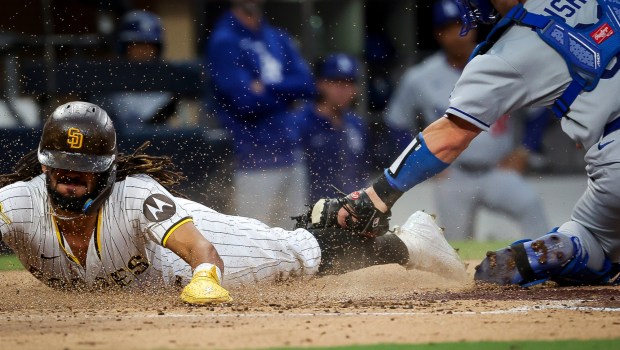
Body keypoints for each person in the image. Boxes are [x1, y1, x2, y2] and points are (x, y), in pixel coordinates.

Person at [0, 101, 467, 305]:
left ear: (104, 169)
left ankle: (410, 244)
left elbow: (202, 251)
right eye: (60, 166)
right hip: (145, 273)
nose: (69, 178)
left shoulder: (133, 194)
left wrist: (205, 277)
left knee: (300, 253)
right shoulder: (19, 206)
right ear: (44, 166)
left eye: (82, 169)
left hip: (178, 257)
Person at [309, 0, 620, 287]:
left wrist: (374, 198)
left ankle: (572, 244)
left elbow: (449, 136)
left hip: (611, 158)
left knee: (596, 238)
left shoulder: (508, 52)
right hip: (465, 175)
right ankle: (575, 240)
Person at [384, 0, 549, 240]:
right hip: (453, 173)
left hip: (497, 170)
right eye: (448, 27)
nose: (458, 34)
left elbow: (540, 111)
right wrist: (423, 166)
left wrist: (526, 150)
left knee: (530, 204)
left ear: (475, 26)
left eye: (463, 24)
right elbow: (396, 122)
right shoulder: (420, 77)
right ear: (438, 34)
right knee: (454, 239)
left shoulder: (500, 63)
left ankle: (550, 261)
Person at [205, 0, 315, 228]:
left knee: (295, 238)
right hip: (251, 157)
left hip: (290, 150)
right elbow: (245, 102)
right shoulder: (224, 39)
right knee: (253, 241)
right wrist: (287, 96)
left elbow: (306, 84)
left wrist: (266, 86)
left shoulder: (276, 36)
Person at [290, 53, 370, 203]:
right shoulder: (300, 122)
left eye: (349, 83)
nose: (343, 90)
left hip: (349, 210)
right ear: (321, 84)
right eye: (336, 82)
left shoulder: (357, 124)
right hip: (308, 211)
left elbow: (361, 174)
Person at [90, 10, 178, 128]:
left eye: (149, 46)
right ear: (124, 47)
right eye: (137, 45)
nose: (144, 51)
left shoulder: (165, 80)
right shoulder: (108, 78)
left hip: (154, 141)